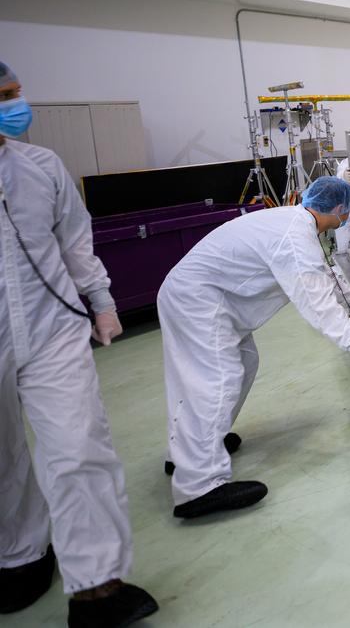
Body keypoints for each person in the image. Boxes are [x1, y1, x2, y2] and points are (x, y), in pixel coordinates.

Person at [0, 62, 159, 627]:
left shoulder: (41, 167)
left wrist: (102, 300)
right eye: (3, 97)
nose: (15, 106)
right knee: (4, 459)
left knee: (78, 448)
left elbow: (74, 240)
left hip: (51, 329)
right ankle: (19, 556)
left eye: (14, 94)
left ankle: (97, 585)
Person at [158, 176, 350, 519]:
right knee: (215, 381)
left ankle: (194, 448)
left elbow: (328, 274)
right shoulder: (294, 238)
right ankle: (198, 487)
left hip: (209, 299)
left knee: (243, 363)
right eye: (345, 212)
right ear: (338, 209)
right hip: (198, 303)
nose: (346, 218)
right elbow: (319, 304)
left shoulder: (298, 224)